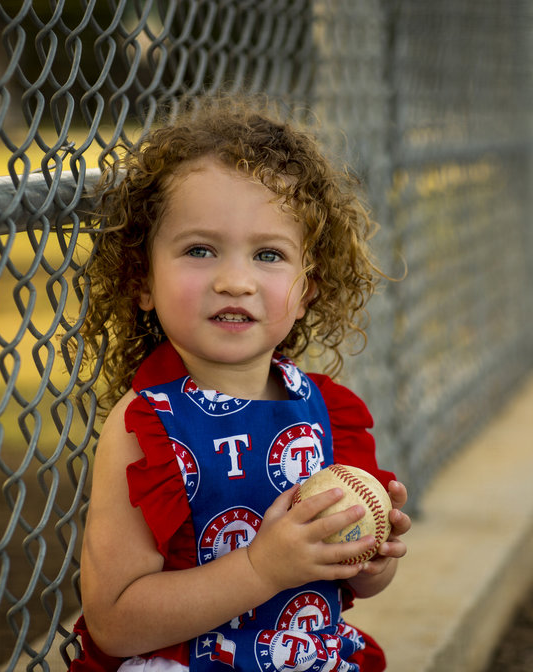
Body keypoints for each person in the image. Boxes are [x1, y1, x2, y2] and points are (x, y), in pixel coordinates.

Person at [68, 98, 411, 672]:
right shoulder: (145, 427)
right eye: (200, 250)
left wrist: (370, 557)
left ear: (308, 291)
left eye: (269, 255)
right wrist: (262, 568)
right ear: (142, 279)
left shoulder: (329, 414)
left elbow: (356, 586)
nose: (235, 281)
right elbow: (114, 621)